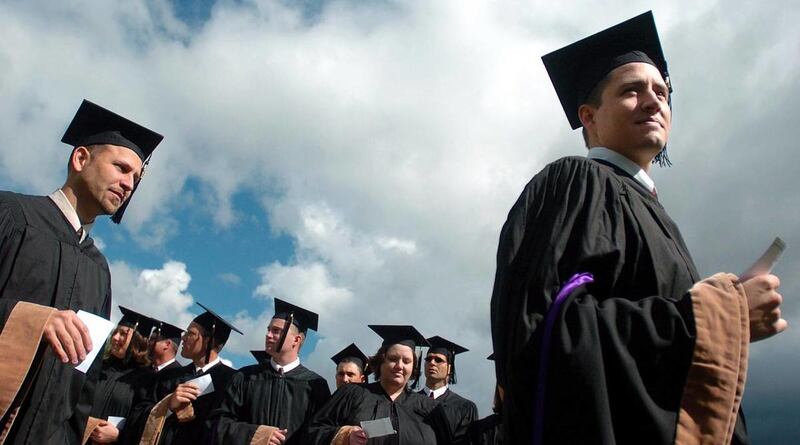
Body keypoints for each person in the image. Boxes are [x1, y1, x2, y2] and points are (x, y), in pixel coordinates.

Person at [490, 11, 787, 445]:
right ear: (589, 116)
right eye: (631, 90)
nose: (653, 101)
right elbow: (544, 337)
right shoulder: (576, 183)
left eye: (662, 92)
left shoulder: (657, 213)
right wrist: (716, 317)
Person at [0, 99, 162, 444]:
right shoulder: (10, 215)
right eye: (121, 168)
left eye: (135, 178)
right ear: (81, 159)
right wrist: (30, 320)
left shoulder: (99, 270)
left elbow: (85, 376)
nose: (129, 184)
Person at [207, 298, 331, 445]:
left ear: (296, 340)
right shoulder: (244, 377)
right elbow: (218, 423)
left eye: (276, 331)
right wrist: (254, 434)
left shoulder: (315, 386)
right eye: (268, 330)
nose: (268, 335)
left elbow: (320, 434)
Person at [306, 325, 448, 445]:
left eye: (406, 361)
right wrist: (345, 435)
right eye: (393, 359)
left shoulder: (429, 408)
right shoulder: (352, 394)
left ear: (413, 367)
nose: (399, 366)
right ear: (381, 361)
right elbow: (312, 432)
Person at [133, 303, 241, 445]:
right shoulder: (168, 376)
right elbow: (138, 413)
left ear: (208, 340)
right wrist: (168, 405)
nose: (183, 338)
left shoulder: (231, 381)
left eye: (190, 333)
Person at [85, 307, 157, 444]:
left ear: (137, 341)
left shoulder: (148, 380)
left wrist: (119, 435)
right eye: (115, 332)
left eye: (123, 334)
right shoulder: (99, 366)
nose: (115, 337)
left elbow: (143, 424)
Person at [421, 336, 477, 445]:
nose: (432, 363)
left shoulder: (464, 408)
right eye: (428, 359)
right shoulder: (408, 401)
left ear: (449, 368)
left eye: (438, 360)